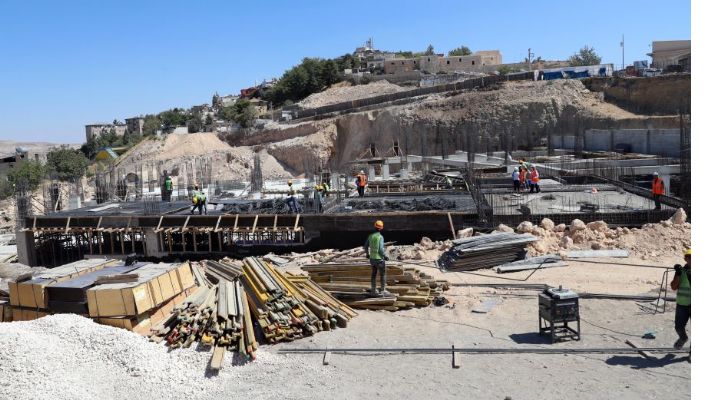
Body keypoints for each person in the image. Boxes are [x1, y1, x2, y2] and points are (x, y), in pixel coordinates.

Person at [671, 248, 691, 350]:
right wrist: (678, 274)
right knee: (678, 327)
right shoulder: (681, 271)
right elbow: (674, 287)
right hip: (682, 304)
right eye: (689, 257)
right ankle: (683, 338)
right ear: (686, 259)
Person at [364, 220, 389, 296]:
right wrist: (385, 256)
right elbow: (381, 249)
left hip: (372, 259)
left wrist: (367, 254)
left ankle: (373, 290)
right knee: (382, 274)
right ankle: (382, 290)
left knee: (374, 274)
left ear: (375, 226)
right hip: (379, 260)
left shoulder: (370, 236)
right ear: (381, 228)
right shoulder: (380, 237)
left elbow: (365, 246)